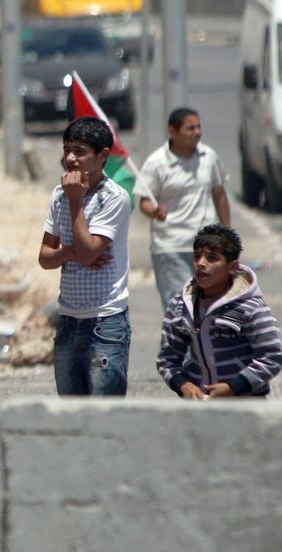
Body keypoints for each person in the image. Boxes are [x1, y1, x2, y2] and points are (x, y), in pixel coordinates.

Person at [39, 116, 132, 396]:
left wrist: (76, 201)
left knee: (103, 418)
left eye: (80, 151)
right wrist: (70, 252)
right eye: (67, 149)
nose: (71, 158)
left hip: (105, 323)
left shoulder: (114, 198)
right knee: (71, 418)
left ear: (102, 156)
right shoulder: (59, 196)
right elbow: (45, 257)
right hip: (68, 320)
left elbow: (90, 252)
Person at [157, 224, 282, 398]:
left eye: (211, 258)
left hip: (247, 406)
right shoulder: (180, 306)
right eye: (197, 256)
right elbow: (167, 360)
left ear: (232, 267)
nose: (201, 263)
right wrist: (183, 385)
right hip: (201, 407)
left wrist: (233, 387)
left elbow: (272, 356)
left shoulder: (250, 307)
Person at [138, 107, 232, 310]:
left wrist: (228, 234)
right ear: (172, 131)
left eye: (198, 127)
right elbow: (144, 201)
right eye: (190, 128)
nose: (197, 132)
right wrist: (154, 211)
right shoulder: (157, 163)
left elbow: (219, 194)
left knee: (211, 305)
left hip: (207, 247)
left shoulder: (209, 156)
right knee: (180, 307)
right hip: (171, 247)